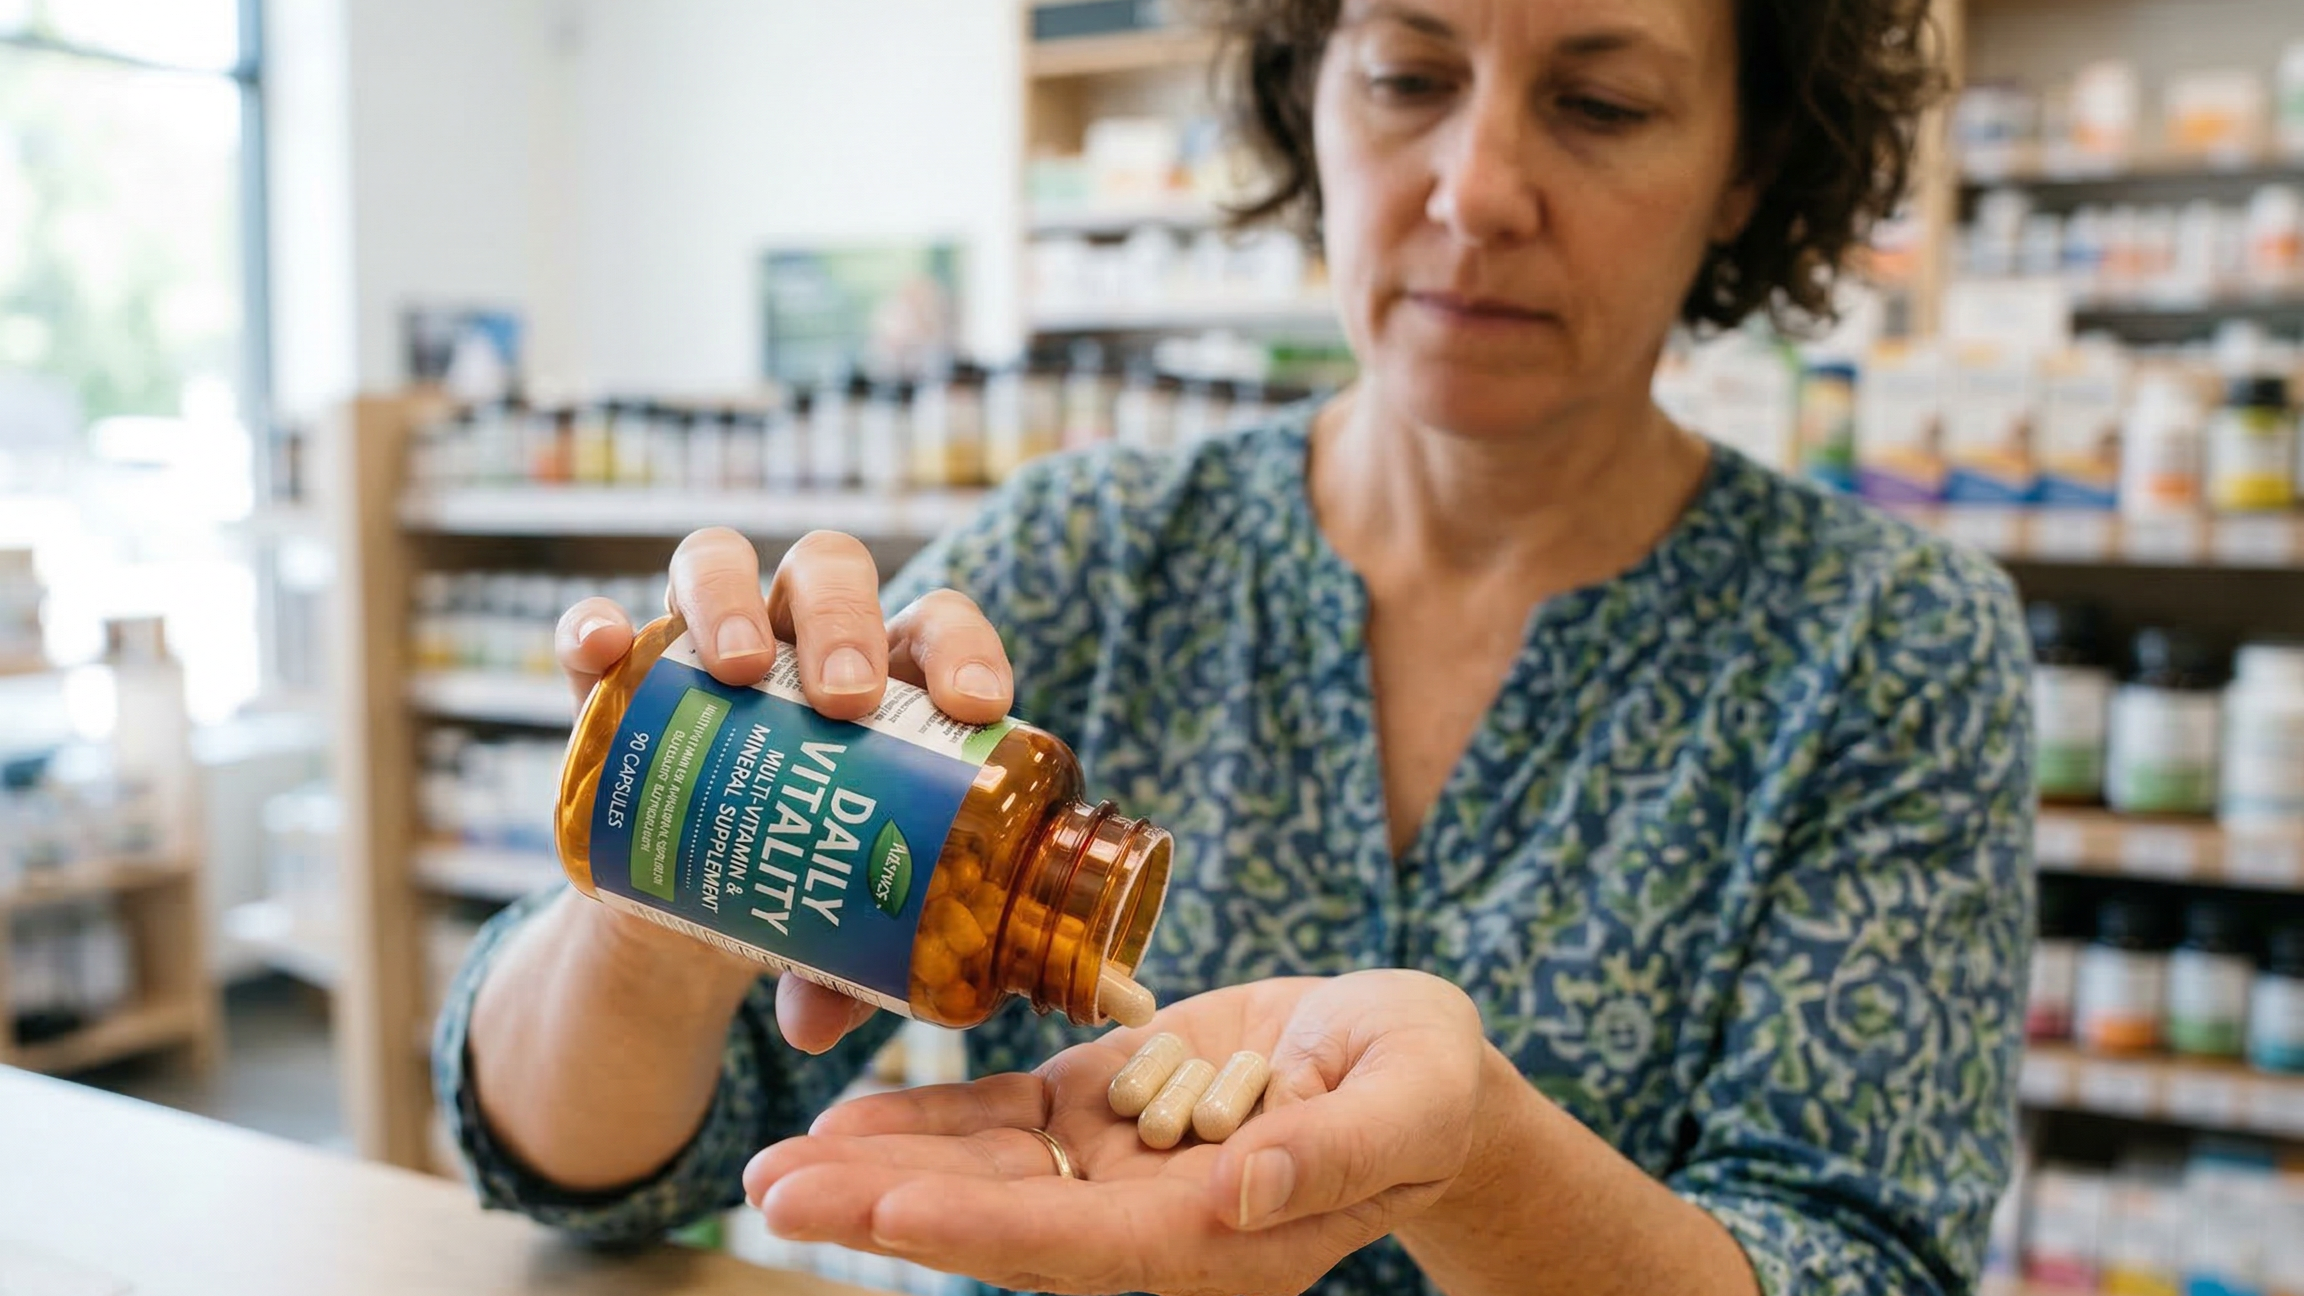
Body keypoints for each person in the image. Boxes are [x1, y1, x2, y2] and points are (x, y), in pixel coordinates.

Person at [435, 1, 2031, 1292]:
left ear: (1749, 161)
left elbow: (1860, 1261)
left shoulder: (1885, 645)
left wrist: (1479, 1166)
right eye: (1410, 75)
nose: (1475, 191)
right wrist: (664, 898)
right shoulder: (1084, 553)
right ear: (1308, 89)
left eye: (1600, 105)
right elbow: (574, 1172)